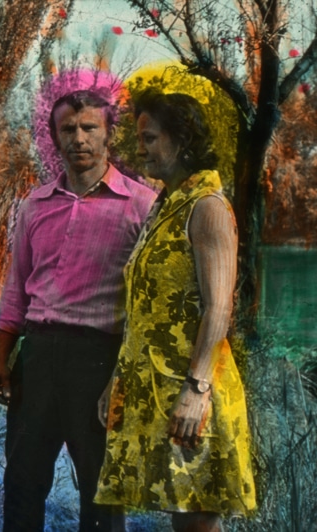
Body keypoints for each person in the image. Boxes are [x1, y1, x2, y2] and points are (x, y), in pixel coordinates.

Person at [0, 89, 157, 531]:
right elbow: (16, 290)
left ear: (108, 134)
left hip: (99, 360)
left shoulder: (142, 206)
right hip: (38, 357)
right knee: (22, 481)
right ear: (55, 137)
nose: (79, 138)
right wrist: (0, 357)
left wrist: (125, 376)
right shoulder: (34, 205)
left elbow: (148, 305)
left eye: (89, 128)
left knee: (101, 491)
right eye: (68, 129)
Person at [94, 90, 257, 531]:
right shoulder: (166, 205)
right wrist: (118, 377)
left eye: (149, 138)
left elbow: (218, 309)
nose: (140, 149)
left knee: (197, 520)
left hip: (194, 389)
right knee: (180, 516)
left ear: (181, 140)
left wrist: (196, 390)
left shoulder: (207, 207)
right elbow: (145, 309)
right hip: (159, 388)